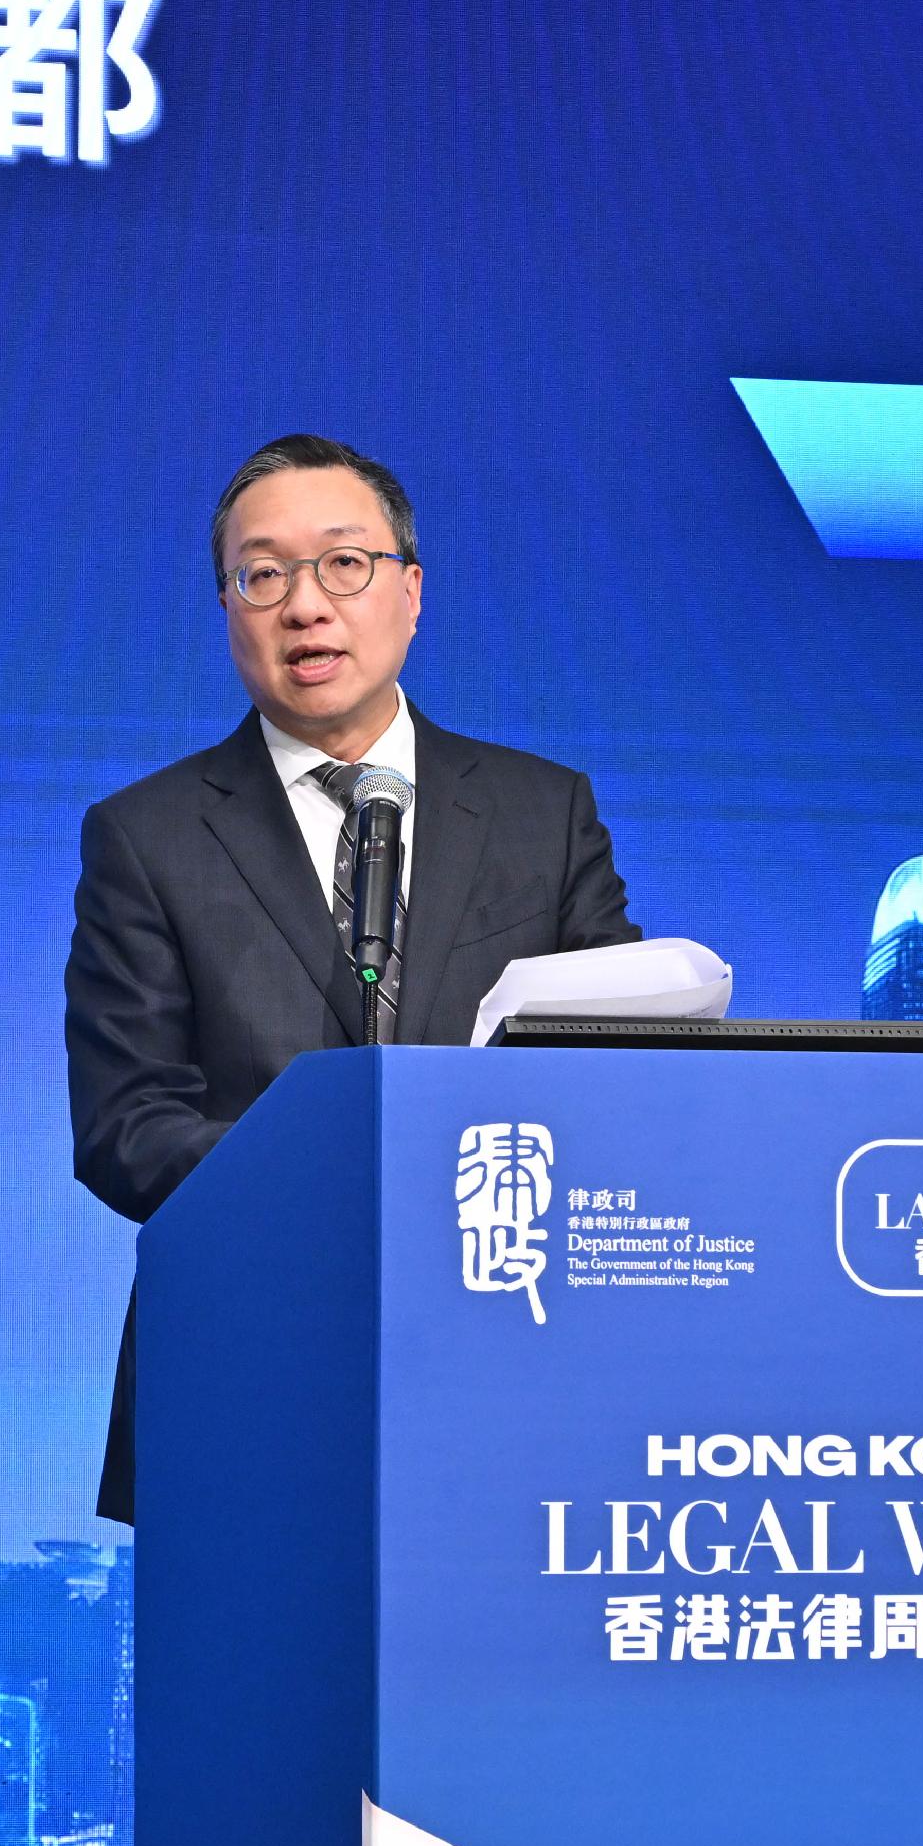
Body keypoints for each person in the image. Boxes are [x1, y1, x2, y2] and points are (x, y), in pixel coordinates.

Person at [67, 433, 640, 1521]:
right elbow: (125, 1125)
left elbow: (617, 1068)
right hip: (248, 1364)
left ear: (410, 592)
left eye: (343, 563)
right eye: (262, 574)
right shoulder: (147, 837)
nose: (303, 605)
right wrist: (355, 1183)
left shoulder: (543, 812)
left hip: (507, 1354)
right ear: (227, 609)